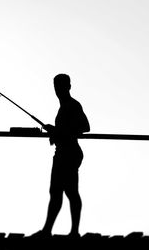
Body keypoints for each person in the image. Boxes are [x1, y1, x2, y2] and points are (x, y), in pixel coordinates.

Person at [36, 74, 90, 238]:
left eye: (60, 85)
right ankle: (48, 230)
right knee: (57, 192)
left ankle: (72, 232)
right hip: (61, 153)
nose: (57, 89)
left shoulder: (73, 105)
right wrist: (55, 132)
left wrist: (57, 131)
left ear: (68, 86)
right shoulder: (63, 106)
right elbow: (67, 130)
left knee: (70, 192)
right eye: (55, 85)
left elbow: (85, 127)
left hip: (69, 153)